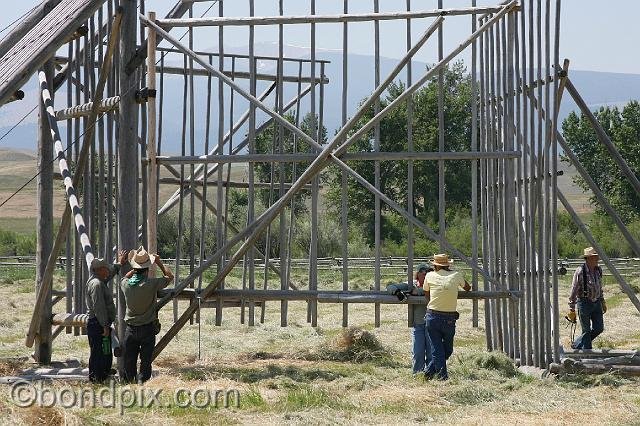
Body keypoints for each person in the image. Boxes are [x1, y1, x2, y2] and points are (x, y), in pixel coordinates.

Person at [121, 246, 174, 384]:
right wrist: (159, 262)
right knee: (145, 360)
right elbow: (169, 277)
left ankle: (128, 382)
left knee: (129, 359)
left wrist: (135, 267)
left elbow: (124, 277)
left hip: (130, 328)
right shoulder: (151, 284)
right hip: (147, 328)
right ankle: (142, 382)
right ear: (147, 269)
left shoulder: (125, 284)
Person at [423, 253, 470, 380]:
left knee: (439, 349)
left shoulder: (429, 275)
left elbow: (426, 292)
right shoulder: (456, 275)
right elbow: (467, 288)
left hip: (432, 315)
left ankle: (429, 372)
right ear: (448, 264)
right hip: (449, 318)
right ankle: (442, 377)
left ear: (435, 265)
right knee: (446, 349)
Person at [85, 249, 128, 383]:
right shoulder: (97, 284)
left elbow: (110, 274)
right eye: (105, 269)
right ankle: (96, 377)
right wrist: (104, 325)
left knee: (103, 350)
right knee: (98, 351)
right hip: (97, 322)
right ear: (98, 270)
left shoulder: (98, 280)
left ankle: (103, 372)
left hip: (99, 322)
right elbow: (99, 307)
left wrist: (119, 264)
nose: (108, 271)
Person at [387, 264, 434, 374]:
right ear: (417, 274)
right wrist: (398, 293)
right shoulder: (411, 285)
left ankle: (431, 374)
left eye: (427, 272)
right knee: (418, 352)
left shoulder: (433, 284)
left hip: (432, 323)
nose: (425, 274)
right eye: (423, 272)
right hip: (418, 323)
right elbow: (390, 287)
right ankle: (417, 374)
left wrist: (418, 292)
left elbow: (432, 292)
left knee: (432, 352)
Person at [567, 247, 606, 349]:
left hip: (596, 303)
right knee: (586, 331)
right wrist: (572, 308)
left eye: (597, 257)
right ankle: (588, 354)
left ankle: (577, 344)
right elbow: (574, 289)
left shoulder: (598, 270)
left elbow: (599, 287)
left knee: (599, 328)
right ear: (588, 258)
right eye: (594, 257)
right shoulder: (580, 271)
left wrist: (602, 301)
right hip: (584, 303)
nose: (597, 259)